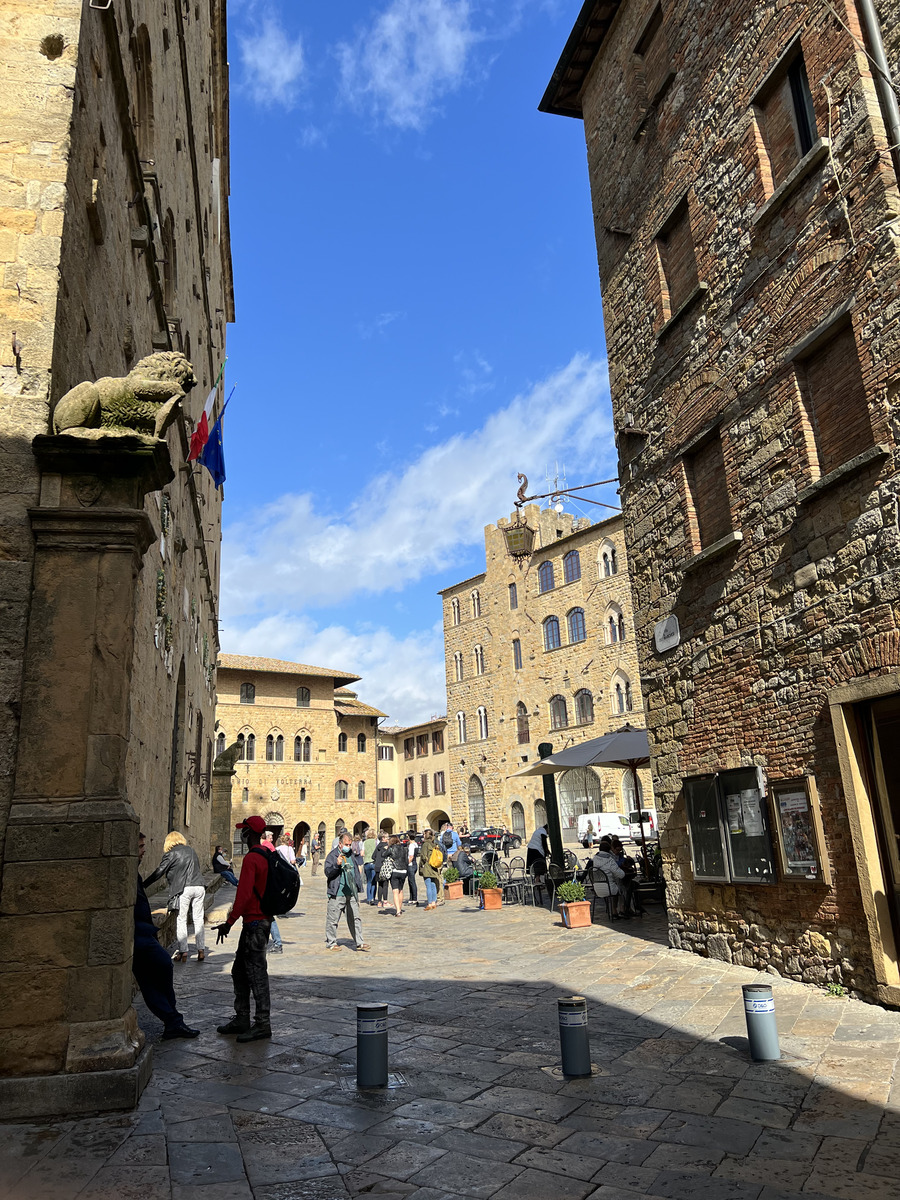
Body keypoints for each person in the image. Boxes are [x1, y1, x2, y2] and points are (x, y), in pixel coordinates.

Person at [133, 832, 199, 1039]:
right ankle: (172, 1019)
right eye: (141, 846)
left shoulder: (136, 872)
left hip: (144, 931)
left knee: (156, 973)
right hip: (140, 934)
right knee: (160, 968)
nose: (145, 850)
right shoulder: (188, 851)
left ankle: (172, 1018)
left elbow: (160, 872)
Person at [215, 814, 274, 1041]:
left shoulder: (252, 858)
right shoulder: (268, 855)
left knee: (256, 974)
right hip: (260, 921)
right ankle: (242, 1018)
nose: (242, 834)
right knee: (239, 971)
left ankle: (262, 1023)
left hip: (255, 924)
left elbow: (244, 895)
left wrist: (229, 922)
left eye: (244, 830)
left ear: (249, 834)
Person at [144, 830, 207, 963]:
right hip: (199, 886)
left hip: (184, 888)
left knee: (181, 919)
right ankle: (201, 950)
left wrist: (144, 884)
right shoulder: (191, 850)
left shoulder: (171, 854)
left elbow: (159, 872)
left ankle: (183, 951)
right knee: (198, 918)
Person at [324, 830, 370, 951]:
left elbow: (355, 871)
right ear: (340, 844)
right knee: (333, 919)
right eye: (346, 844)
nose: (348, 847)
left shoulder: (351, 855)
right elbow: (328, 872)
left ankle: (359, 942)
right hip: (338, 892)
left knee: (355, 918)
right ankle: (331, 942)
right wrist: (336, 865)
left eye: (350, 845)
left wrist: (358, 886)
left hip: (351, 892)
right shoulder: (332, 856)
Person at [610, 835, 644, 916]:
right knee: (627, 887)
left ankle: (629, 907)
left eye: (620, 850)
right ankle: (627, 908)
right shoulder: (610, 857)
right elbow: (615, 867)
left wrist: (627, 860)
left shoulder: (620, 855)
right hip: (615, 880)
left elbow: (623, 862)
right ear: (612, 849)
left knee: (632, 885)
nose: (618, 852)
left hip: (621, 877)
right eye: (617, 850)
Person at [593, 836, 626, 918]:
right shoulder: (610, 860)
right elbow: (621, 875)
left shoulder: (595, 859)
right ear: (609, 850)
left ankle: (614, 911)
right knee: (622, 887)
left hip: (597, 889)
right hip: (609, 888)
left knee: (616, 886)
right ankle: (623, 909)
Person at [419, 829, 443, 910]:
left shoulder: (425, 844)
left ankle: (429, 903)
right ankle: (434, 902)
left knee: (428, 885)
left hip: (427, 866)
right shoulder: (434, 844)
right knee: (433, 885)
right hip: (434, 866)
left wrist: (421, 866)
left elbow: (423, 856)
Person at [372, 833, 393, 909]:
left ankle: (379, 902)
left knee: (379, 885)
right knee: (385, 885)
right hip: (384, 867)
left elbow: (373, 856)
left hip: (377, 867)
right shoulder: (386, 846)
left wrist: (377, 861)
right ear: (383, 838)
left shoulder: (378, 846)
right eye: (387, 837)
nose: (388, 839)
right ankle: (385, 901)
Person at [388, 834, 408, 916]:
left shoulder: (391, 849)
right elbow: (406, 860)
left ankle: (398, 911)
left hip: (395, 870)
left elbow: (383, 855)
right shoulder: (404, 849)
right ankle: (400, 907)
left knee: (395, 891)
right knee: (401, 890)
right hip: (403, 871)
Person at [363, 827, 378, 904]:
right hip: (374, 862)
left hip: (366, 863)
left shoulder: (364, 842)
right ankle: (373, 898)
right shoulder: (376, 842)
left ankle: (368, 898)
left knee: (369, 881)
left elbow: (362, 853)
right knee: (374, 881)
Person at [406, 833, 419, 906]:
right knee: (411, 882)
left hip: (411, 865)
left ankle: (414, 899)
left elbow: (411, 856)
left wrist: (406, 863)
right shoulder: (415, 844)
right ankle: (411, 898)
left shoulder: (411, 845)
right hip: (414, 864)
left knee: (412, 882)